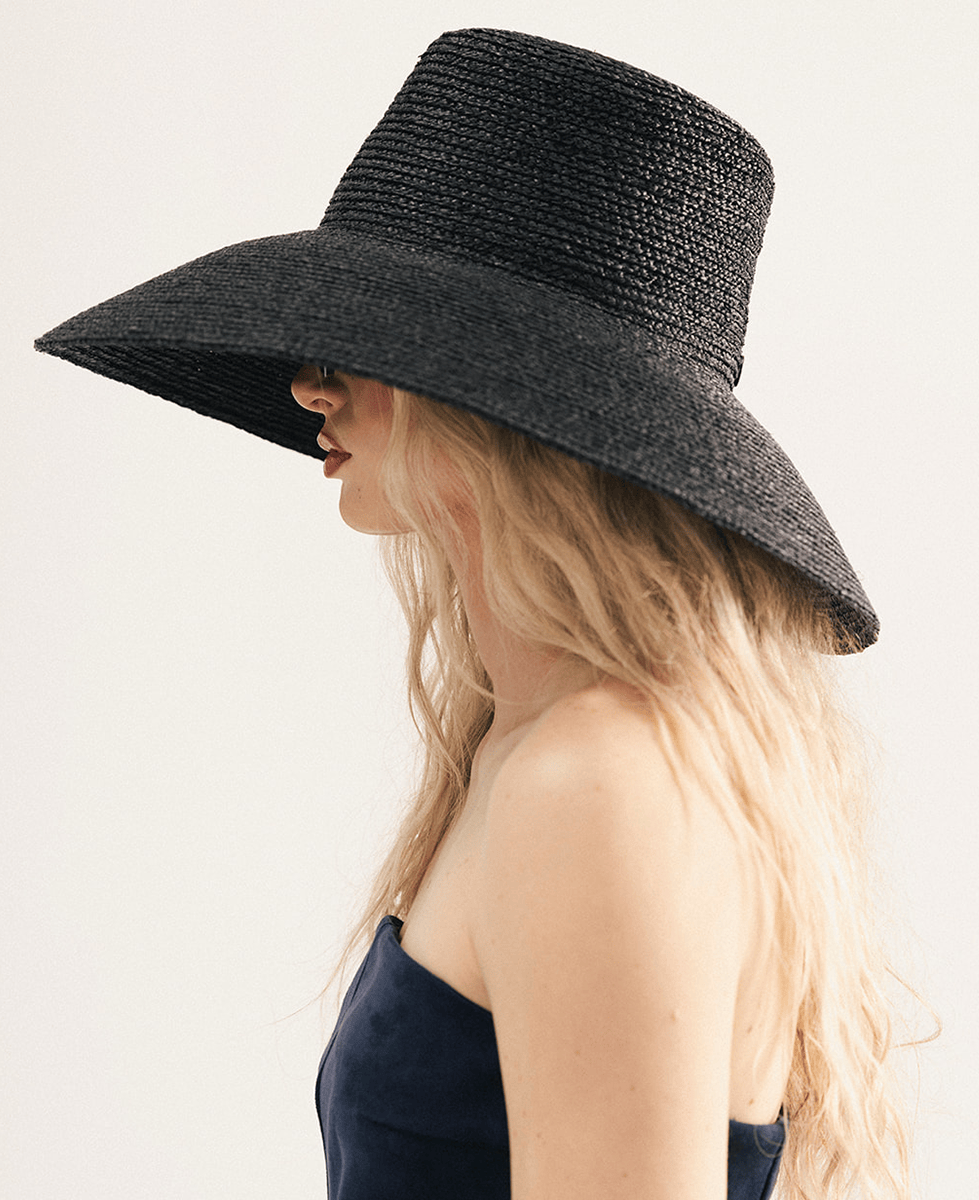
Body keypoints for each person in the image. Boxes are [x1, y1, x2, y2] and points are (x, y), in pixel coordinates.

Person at [35, 27, 915, 1200]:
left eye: (367, 341)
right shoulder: (541, 746)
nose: (309, 383)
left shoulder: (594, 778)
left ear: (501, 396)